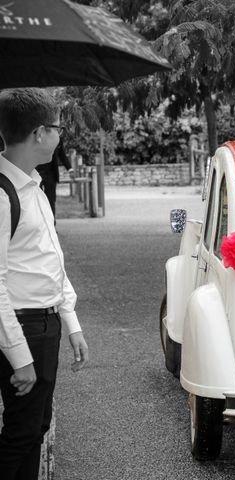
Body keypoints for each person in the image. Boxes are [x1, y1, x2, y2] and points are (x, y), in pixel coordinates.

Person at [0, 88, 89, 479]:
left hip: (45, 322)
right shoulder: (4, 195)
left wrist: (70, 323)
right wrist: (20, 357)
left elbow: (48, 261)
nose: (60, 136)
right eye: (57, 128)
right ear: (39, 133)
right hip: (22, 328)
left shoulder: (33, 186)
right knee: (19, 435)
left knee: (35, 429)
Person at [36, 136, 74, 217]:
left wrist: (70, 169)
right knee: (37, 200)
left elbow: (62, 155)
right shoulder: (36, 135)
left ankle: (52, 226)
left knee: (51, 200)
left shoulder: (57, 138)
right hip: (37, 172)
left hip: (51, 174)